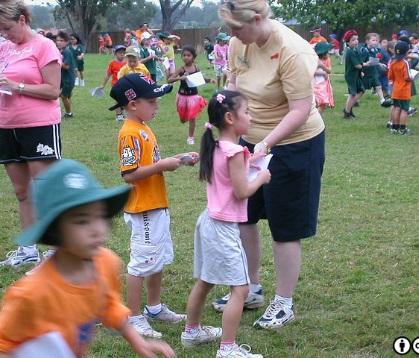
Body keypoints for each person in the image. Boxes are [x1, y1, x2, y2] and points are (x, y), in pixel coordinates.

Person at [217, 0, 326, 330]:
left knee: (284, 226)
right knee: (244, 216)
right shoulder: (240, 42)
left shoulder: (293, 51)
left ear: (259, 18)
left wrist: (266, 143)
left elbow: (300, 109)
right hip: (250, 140)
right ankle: (250, 287)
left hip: (295, 145)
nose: (232, 35)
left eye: (237, 27)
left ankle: (284, 302)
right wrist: (225, 121)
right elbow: (233, 86)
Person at [0, 159, 176, 358]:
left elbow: (108, 304)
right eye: (82, 221)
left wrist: (138, 342)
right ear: (55, 230)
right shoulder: (31, 295)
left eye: (100, 216)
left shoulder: (106, 262)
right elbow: (4, 345)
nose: (97, 229)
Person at [181, 91, 270, 357]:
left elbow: (231, 173)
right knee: (241, 288)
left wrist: (252, 158)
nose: (251, 116)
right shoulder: (234, 152)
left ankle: (192, 331)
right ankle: (228, 349)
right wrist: (262, 177)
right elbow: (242, 191)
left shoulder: (218, 146)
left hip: (208, 221)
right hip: (223, 228)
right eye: (248, 112)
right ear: (230, 118)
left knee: (206, 280)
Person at [111, 74, 198, 338]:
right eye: (152, 101)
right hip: (143, 209)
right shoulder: (129, 133)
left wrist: (177, 159)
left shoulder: (143, 127)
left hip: (156, 205)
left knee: (156, 260)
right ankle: (135, 316)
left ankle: (155, 307)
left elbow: (152, 163)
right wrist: (162, 165)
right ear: (133, 104)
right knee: (141, 264)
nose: (156, 106)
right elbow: (129, 173)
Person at [0, 0, 62, 267]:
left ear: (23, 20)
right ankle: (27, 249)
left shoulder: (44, 46)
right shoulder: (4, 48)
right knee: (21, 191)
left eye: (7, 28)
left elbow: (53, 90)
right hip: (6, 126)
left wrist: (18, 86)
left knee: (46, 189)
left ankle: (55, 248)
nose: (4, 34)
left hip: (38, 126)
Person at [168, 45, 208, 145]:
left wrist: (208, 80)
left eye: (188, 55)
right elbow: (169, 80)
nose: (186, 57)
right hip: (182, 96)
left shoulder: (196, 68)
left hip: (193, 97)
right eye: (184, 55)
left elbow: (201, 78)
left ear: (193, 57)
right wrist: (179, 78)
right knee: (182, 119)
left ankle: (190, 137)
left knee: (192, 117)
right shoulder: (181, 69)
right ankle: (183, 118)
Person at [360, 33, 393, 108]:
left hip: (374, 72)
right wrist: (363, 69)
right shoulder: (364, 51)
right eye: (373, 40)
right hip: (366, 73)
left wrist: (381, 64)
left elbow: (375, 61)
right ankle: (355, 100)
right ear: (367, 41)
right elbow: (360, 63)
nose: (375, 42)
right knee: (362, 89)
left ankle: (382, 100)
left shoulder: (376, 50)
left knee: (378, 86)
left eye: (376, 40)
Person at [388, 41, 412, 135]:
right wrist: (412, 77)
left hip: (395, 89)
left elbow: (390, 76)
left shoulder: (393, 63)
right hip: (404, 90)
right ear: (406, 52)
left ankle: (394, 128)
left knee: (396, 108)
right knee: (404, 110)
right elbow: (407, 77)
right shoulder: (405, 63)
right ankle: (402, 129)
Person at [99, 45, 127, 121]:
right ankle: (118, 115)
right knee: (117, 100)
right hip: (116, 85)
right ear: (115, 54)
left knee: (125, 100)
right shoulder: (112, 63)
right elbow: (108, 75)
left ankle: (123, 113)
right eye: (120, 53)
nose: (122, 54)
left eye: (123, 53)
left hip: (125, 85)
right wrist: (103, 85)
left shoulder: (127, 63)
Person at [343, 29, 364, 118]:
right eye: (353, 40)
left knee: (361, 90)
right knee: (352, 94)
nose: (356, 41)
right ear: (348, 42)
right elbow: (358, 65)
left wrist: (361, 71)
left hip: (357, 75)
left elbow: (360, 63)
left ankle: (349, 107)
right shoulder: (350, 51)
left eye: (357, 39)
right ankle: (347, 112)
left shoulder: (356, 50)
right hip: (351, 76)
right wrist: (367, 65)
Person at [56, 31, 76, 118]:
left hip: (68, 79)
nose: (59, 42)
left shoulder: (66, 51)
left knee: (63, 96)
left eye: (61, 40)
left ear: (66, 42)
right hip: (62, 78)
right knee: (63, 95)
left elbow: (66, 66)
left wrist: (57, 61)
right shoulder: (61, 51)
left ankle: (69, 113)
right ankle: (65, 111)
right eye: (57, 40)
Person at [313, 42, 334, 112]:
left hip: (324, 85)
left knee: (323, 104)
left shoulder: (327, 60)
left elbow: (329, 71)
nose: (328, 54)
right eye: (327, 52)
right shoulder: (315, 60)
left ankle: (316, 119)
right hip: (316, 85)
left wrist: (322, 66)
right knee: (321, 104)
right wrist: (321, 73)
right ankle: (315, 118)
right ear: (322, 53)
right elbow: (311, 72)